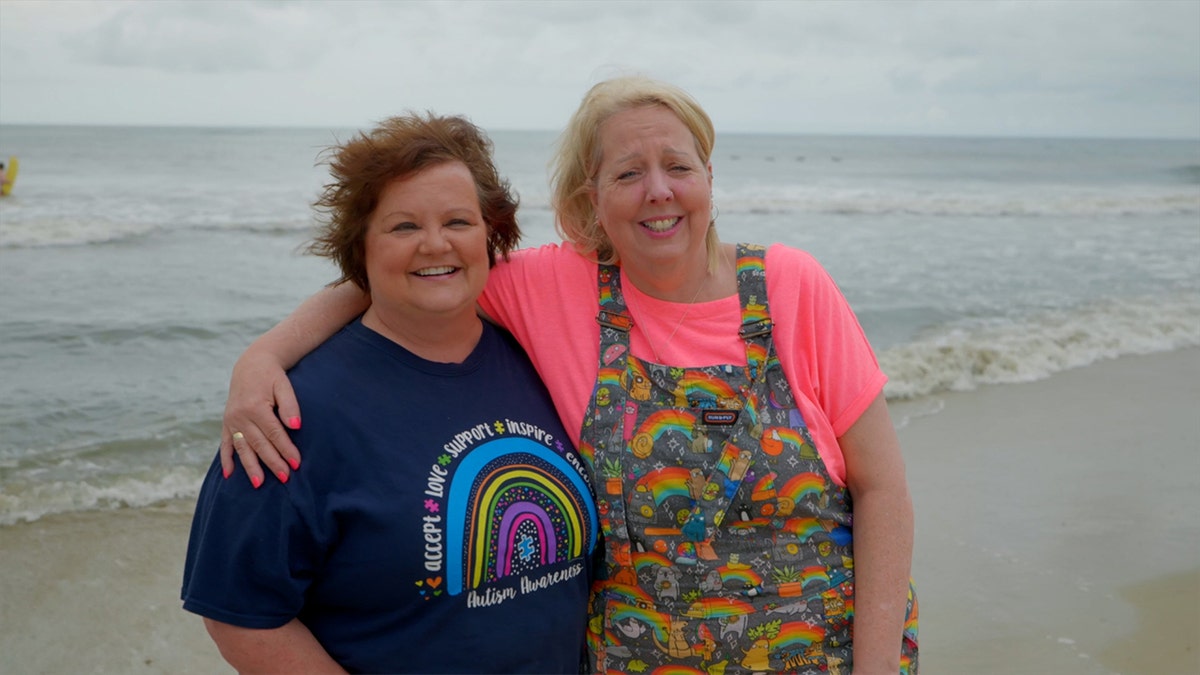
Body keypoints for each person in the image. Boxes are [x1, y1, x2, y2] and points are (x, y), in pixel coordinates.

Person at [222, 76, 918, 674]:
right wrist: (265, 357)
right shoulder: (556, 287)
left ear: (709, 177)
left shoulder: (792, 285)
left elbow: (881, 488)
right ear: (593, 196)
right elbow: (414, 269)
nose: (657, 192)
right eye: (627, 173)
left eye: (678, 165)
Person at [181, 113, 598, 674]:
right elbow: (241, 614)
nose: (435, 244)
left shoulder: (538, 355)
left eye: (458, 221)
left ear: (491, 234)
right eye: (403, 227)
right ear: (362, 248)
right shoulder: (291, 410)